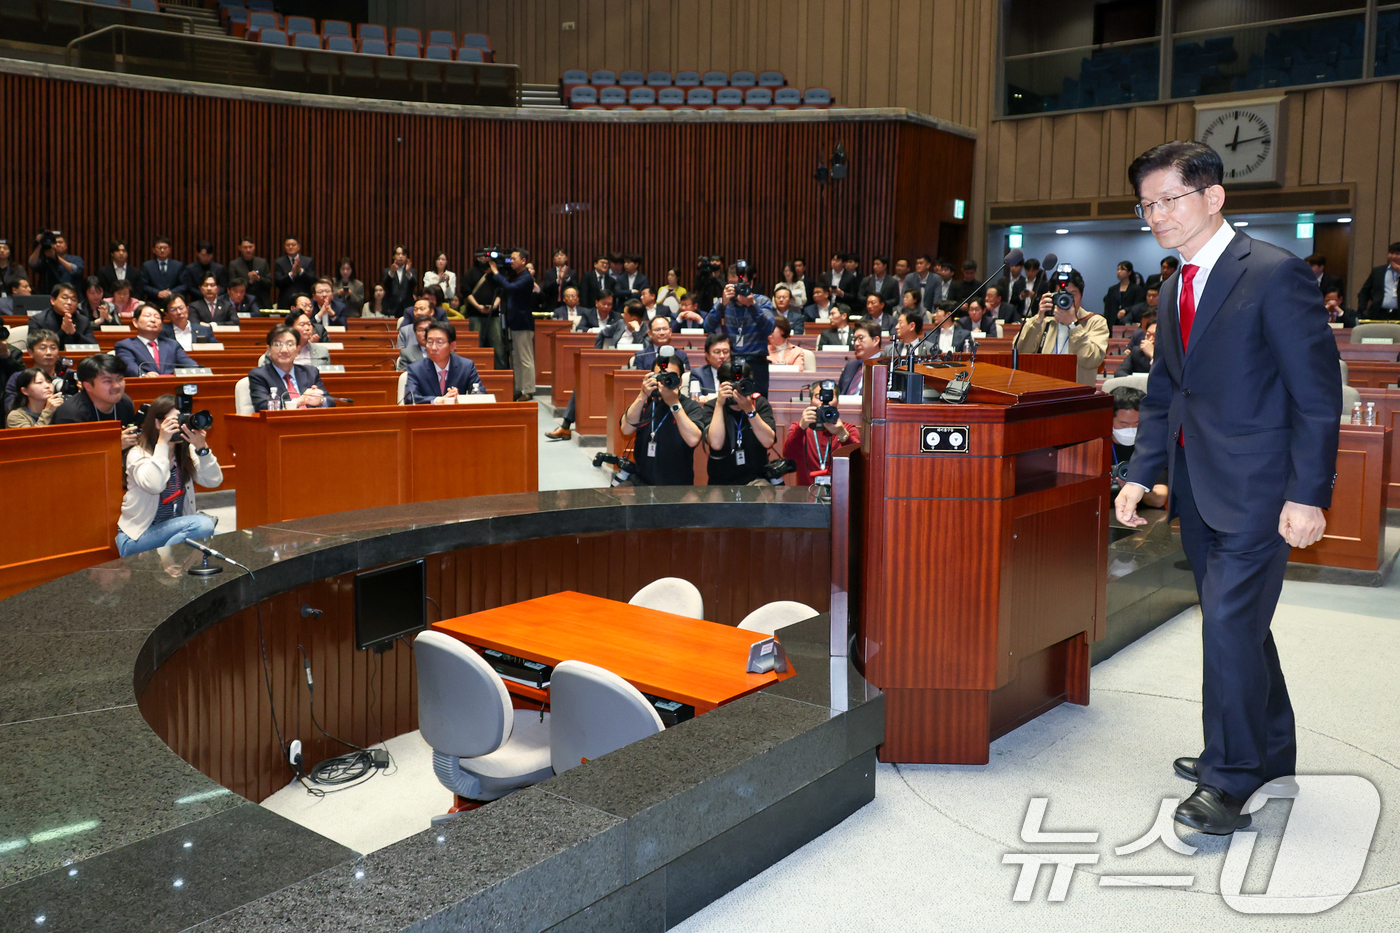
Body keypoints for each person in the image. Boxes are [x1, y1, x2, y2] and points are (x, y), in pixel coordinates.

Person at [1116, 140, 1340, 836]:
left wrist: (1309, 494)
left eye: (1169, 200)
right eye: (1147, 204)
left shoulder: (1274, 274)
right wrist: (1142, 472)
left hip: (1263, 491)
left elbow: (1317, 395)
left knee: (1227, 629)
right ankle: (1270, 748)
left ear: (1213, 197)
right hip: (1198, 487)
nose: (1156, 215)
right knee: (1239, 625)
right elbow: (1165, 393)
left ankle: (1230, 776)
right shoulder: (1173, 284)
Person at [116, 394, 222, 558]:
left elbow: (214, 481)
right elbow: (155, 485)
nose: (180, 426)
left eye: (183, 421)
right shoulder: (138, 454)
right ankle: (165, 558)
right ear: (157, 423)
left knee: (224, 538)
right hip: (136, 538)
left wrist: (202, 448)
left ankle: (167, 556)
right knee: (202, 525)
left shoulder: (186, 452)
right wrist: (163, 443)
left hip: (175, 531)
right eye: (174, 421)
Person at [619, 347, 706, 486]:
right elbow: (626, 429)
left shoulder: (690, 406)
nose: (665, 381)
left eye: (671, 377)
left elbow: (693, 439)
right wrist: (642, 395)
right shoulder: (646, 402)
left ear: (680, 381)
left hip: (677, 485)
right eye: (660, 376)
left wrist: (674, 404)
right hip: (641, 481)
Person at [1012, 267, 1108, 385]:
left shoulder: (1095, 322)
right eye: (1061, 296)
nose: (1066, 301)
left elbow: (1092, 360)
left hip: (1077, 394)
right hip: (1043, 390)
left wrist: (1073, 325)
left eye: (1072, 295)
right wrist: (1037, 320)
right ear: (1051, 296)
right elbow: (1020, 354)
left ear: (1081, 296)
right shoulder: (1043, 321)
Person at [703, 359, 777, 486]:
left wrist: (749, 410)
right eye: (732, 385)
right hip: (720, 481)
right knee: (713, 503)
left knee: (764, 495)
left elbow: (768, 441)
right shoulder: (713, 406)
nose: (737, 389)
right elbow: (715, 443)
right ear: (721, 385)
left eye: (742, 385)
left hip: (756, 478)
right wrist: (720, 405)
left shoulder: (759, 404)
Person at [783, 380, 861, 485]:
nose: (824, 402)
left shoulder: (847, 429)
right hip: (806, 494)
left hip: (839, 494)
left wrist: (842, 434)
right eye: (818, 396)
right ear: (810, 401)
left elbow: (859, 461)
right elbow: (788, 454)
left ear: (837, 402)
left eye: (830, 397)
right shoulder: (799, 427)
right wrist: (801, 428)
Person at [704, 282, 775, 395]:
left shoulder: (761, 301)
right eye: (734, 284)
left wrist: (752, 305)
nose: (738, 288)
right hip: (729, 361)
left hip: (756, 361)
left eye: (742, 284)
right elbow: (708, 326)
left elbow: (769, 328)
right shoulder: (724, 301)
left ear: (751, 284)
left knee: (757, 401)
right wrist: (721, 304)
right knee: (730, 400)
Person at [52, 354, 140, 442]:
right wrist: (115, 446)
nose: (116, 386)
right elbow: (72, 453)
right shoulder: (71, 414)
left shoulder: (125, 402)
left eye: (120, 379)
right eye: (108, 381)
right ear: (88, 386)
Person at [249, 323, 334, 411]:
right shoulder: (259, 375)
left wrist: (320, 400)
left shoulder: (310, 372)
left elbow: (331, 401)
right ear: (269, 350)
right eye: (278, 345)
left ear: (298, 350)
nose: (284, 350)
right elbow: (262, 406)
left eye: (290, 345)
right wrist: (298, 401)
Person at [1108, 386, 1167, 508]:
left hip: (1147, 516)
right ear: (1109, 419)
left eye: (1137, 424)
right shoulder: (1095, 446)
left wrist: (1137, 487)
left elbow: (1159, 500)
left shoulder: (1155, 447)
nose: (1130, 429)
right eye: (1124, 424)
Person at [491, 248, 536, 402]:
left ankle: (528, 390)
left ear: (523, 261)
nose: (511, 261)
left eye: (514, 258)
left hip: (523, 323)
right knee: (516, 358)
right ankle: (518, 388)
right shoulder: (516, 276)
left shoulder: (526, 277)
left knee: (525, 358)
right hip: (514, 322)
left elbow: (511, 288)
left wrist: (496, 273)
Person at [404, 321, 484, 403]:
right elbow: (410, 398)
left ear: (452, 346)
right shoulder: (416, 369)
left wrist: (460, 399)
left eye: (439, 342)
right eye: (430, 342)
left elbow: (481, 395)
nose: (434, 348)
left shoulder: (466, 366)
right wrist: (438, 401)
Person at [115, 304, 199, 377]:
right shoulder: (125, 345)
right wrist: (144, 375)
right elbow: (130, 367)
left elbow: (190, 364)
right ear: (135, 322)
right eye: (147, 316)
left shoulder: (172, 345)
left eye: (157, 317)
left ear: (162, 325)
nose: (153, 320)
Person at [4, 329, 68, 410]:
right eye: (42, 348)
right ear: (31, 353)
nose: (49, 352)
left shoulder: (68, 375)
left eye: (53, 348)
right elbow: (10, 408)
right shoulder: (18, 377)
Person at [32, 284, 95, 349]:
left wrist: (75, 334)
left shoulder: (83, 321)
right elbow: (36, 346)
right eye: (64, 298)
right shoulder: (38, 320)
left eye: (73, 299)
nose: (69, 302)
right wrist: (62, 332)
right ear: (53, 301)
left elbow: (94, 347)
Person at [1356, 241, 1400, 320]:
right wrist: (1363, 309)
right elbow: (1364, 292)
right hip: (1380, 314)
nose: (1393, 256)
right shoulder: (1378, 271)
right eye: (1391, 253)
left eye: (1397, 254)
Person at [837, 320, 883, 396]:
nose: (856, 343)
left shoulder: (886, 367)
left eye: (860, 338)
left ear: (876, 340)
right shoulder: (850, 367)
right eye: (855, 340)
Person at [228, 237, 274, 309]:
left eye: (250, 247)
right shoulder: (234, 264)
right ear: (239, 248)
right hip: (243, 302)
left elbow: (269, 283)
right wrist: (250, 282)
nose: (248, 250)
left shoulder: (262, 262)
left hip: (262, 302)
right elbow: (232, 285)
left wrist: (259, 278)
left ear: (254, 247)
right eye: (245, 247)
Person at [141, 237, 184, 308]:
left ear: (170, 249)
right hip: (153, 302)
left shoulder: (178, 265)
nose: (162, 250)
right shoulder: (147, 266)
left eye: (165, 247)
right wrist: (157, 293)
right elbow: (143, 285)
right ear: (154, 250)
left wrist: (171, 293)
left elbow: (184, 285)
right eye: (159, 247)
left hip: (173, 302)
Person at [689, 333, 732, 404]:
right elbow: (695, 399)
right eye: (717, 352)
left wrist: (710, 397)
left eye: (725, 352)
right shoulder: (698, 373)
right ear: (707, 355)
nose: (722, 356)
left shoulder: (737, 372)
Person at [274, 236, 316, 308]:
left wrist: (300, 271)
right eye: (288, 245)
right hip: (286, 300)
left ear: (298, 247)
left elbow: (312, 280)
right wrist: (291, 274)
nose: (290, 247)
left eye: (293, 245)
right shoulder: (279, 262)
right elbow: (277, 282)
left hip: (304, 298)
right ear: (284, 247)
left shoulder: (308, 261)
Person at [1103, 261, 1145, 325]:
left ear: (1129, 272)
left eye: (1123, 269)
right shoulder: (1112, 289)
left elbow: (1138, 306)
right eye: (1118, 269)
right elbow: (1108, 307)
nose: (1119, 272)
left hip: (1129, 321)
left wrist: (1126, 310)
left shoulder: (1137, 289)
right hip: (1113, 322)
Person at [382, 245, 417, 317]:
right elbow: (386, 285)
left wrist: (408, 273)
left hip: (407, 306)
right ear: (393, 256)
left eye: (403, 254)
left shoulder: (412, 271)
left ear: (406, 257)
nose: (400, 256)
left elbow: (413, 285)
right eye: (398, 254)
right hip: (391, 307)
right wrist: (391, 272)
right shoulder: (387, 271)